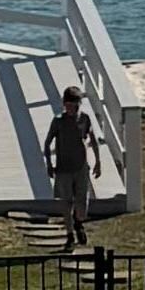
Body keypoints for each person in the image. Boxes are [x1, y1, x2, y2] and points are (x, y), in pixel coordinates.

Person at [43, 76, 99, 257]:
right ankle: (69, 234)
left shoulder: (85, 119)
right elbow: (47, 142)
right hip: (63, 168)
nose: (69, 108)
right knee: (66, 203)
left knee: (82, 203)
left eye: (72, 105)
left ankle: (78, 221)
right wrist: (49, 165)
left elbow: (93, 139)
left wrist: (98, 162)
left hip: (81, 166)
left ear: (78, 104)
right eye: (66, 104)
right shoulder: (58, 121)